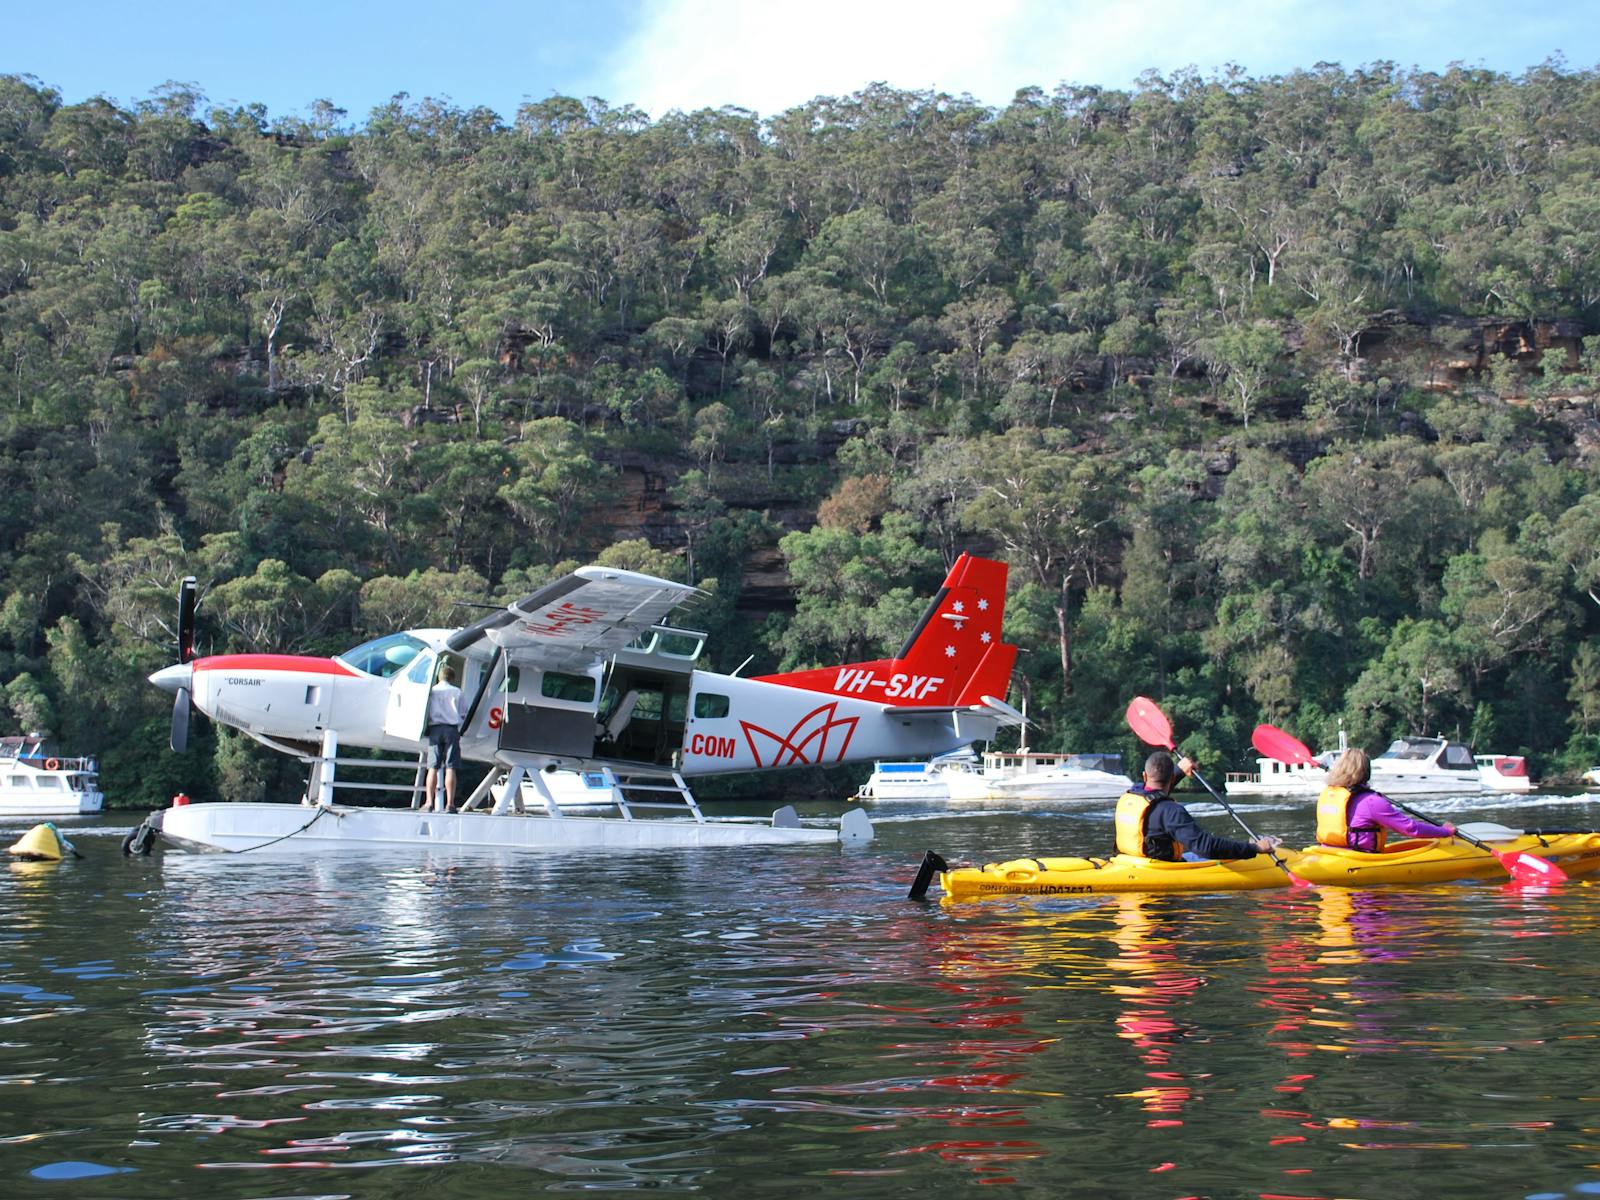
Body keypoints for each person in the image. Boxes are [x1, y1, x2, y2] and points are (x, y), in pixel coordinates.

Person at [1115, 750, 1281, 861]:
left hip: (1129, 863)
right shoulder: (1171, 811)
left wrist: (1179, 770)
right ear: (1170, 778)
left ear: (1144, 776)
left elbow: (1156, 793)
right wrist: (1253, 848)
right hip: (1164, 870)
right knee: (1207, 855)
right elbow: (1205, 847)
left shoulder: (1132, 794)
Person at [1317, 747, 1454, 852]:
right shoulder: (1372, 802)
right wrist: (1445, 831)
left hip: (1327, 852)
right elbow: (1411, 829)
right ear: (1366, 772)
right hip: (1358, 859)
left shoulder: (1330, 794)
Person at [421, 662, 464, 813]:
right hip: (451, 729)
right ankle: (450, 804)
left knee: (432, 767)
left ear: (439, 677)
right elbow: (463, 713)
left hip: (435, 729)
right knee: (451, 767)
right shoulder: (457, 692)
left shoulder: (431, 692)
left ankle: (428, 803)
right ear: (452, 678)